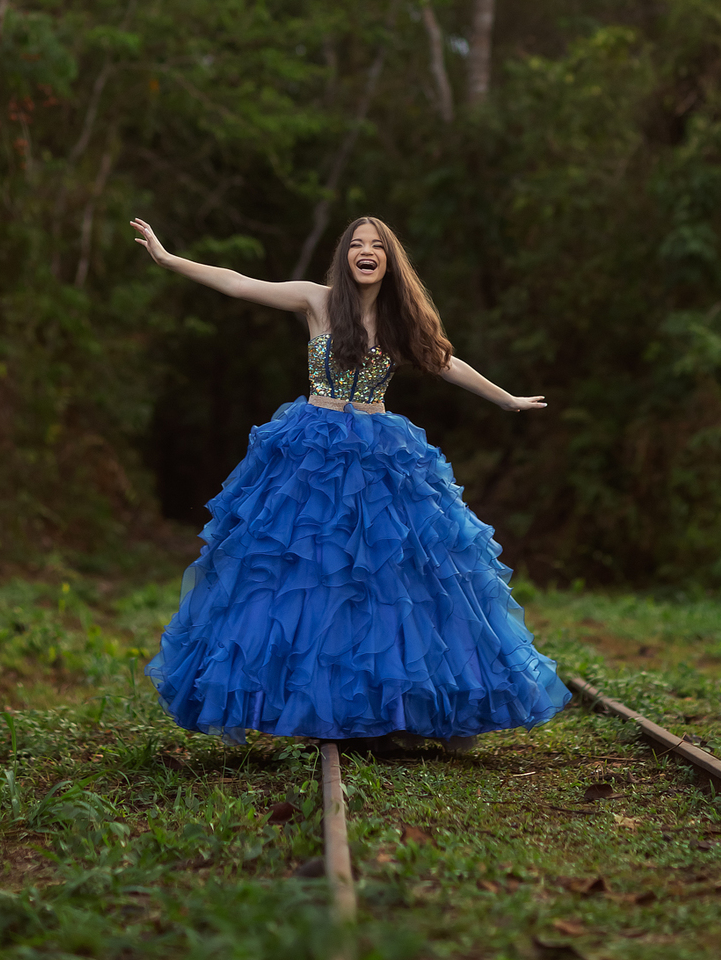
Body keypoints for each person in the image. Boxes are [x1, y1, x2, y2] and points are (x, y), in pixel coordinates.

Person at [130, 211, 570, 745]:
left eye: (377, 245)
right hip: (311, 452)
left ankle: (397, 704)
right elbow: (240, 284)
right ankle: (307, 703)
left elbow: (445, 362)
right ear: (346, 255)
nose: (366, 251)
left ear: (389, 259)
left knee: (390, 581)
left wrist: (507, 398)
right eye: (357, 243)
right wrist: (167, 257)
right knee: (305, 574)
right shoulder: (318, 300)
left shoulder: (399, 318)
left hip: (381, 452)